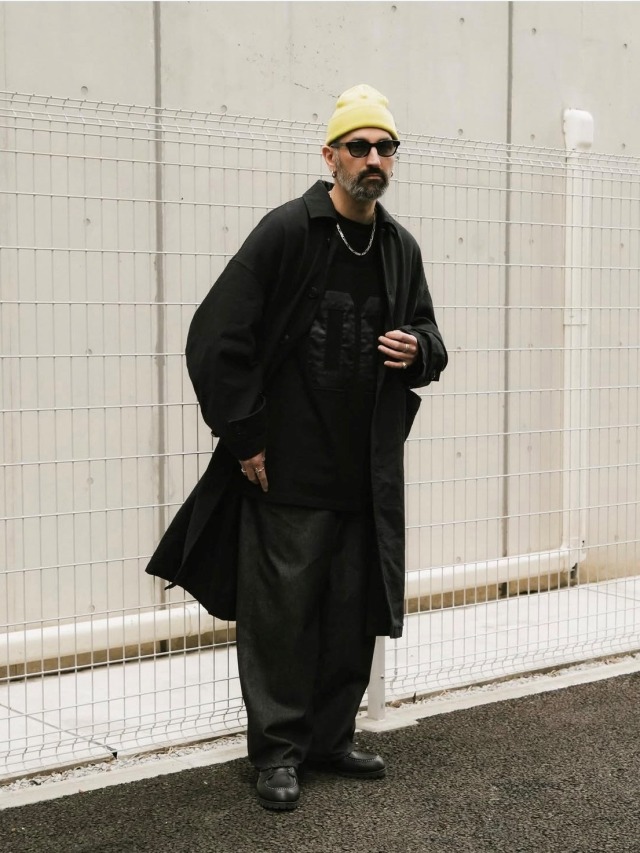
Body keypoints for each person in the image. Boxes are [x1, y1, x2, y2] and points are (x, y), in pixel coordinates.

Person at [146, 84, 448, 811]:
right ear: (330, 156)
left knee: (350, 612)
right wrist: (245, 436)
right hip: (285, 469)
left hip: (364, 472)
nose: (373, 159)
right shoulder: (288, 231)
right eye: (358, 146)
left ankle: (330, 739)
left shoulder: (398, 247)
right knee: (280, 619)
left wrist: (420, 348)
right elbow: (216, 336)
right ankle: (278, 753)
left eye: (385, 148)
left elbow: (432, 338)